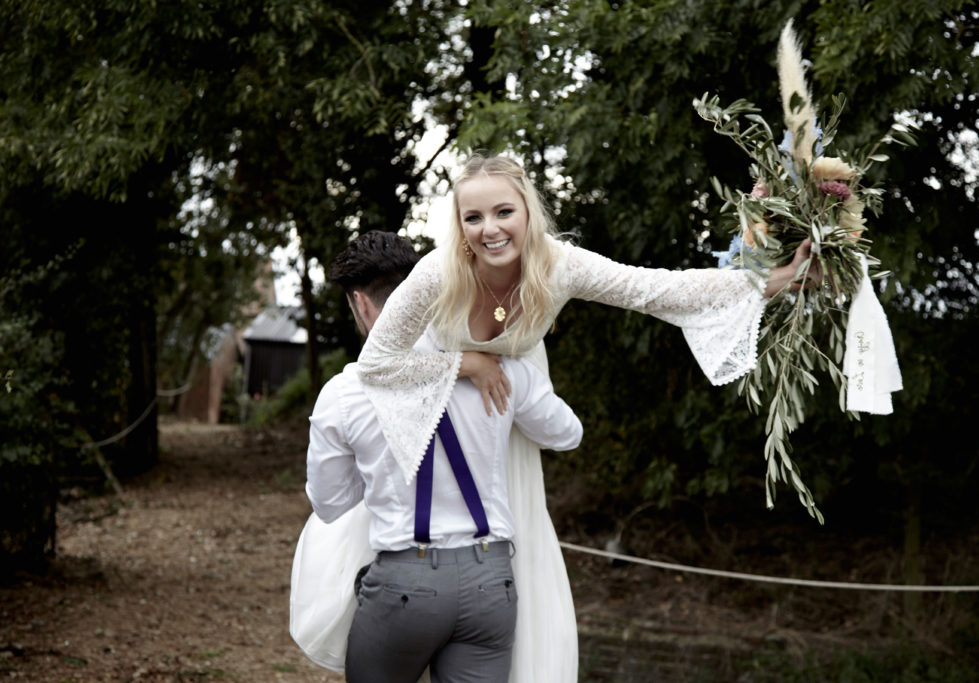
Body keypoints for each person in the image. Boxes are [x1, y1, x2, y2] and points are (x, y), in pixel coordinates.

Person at [350, 154, 816, 680]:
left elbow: (656, 290)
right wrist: (467, 362)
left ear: (529, 211)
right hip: (425, 414)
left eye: (504, 211)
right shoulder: (439, 271)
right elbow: (378, 363)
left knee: (512, 567)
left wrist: (778, 278)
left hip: (511, 411)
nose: (490, 229)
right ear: (458, 226)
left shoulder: (560, 264)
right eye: (473, 218)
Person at [294, 230, 583, 683]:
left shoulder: (345, 394)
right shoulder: (502, 370)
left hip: (404, 588)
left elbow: (329, 504)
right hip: (492, 581)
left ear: (361, 304)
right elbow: (568, 434)